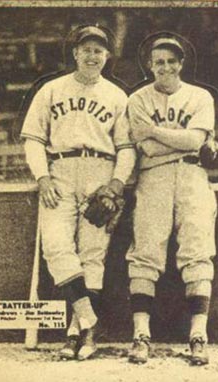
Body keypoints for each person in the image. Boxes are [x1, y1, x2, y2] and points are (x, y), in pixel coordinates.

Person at [21, 25, 136, 361]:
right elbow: (33, 139)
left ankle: (77, 334)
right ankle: (89, 322)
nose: (92, 55)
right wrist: (42, 177)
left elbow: (126, 147)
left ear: (107, 56)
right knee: (56, 247)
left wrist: (115, 185)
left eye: (99, 50)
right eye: (85, 49)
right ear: (74, 53)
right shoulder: (51, 89)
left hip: (100, 171)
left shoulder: (117, 96)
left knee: (92, 253)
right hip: (60, 171)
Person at [126, 33, 217, 365]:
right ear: (150, 65)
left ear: (181, 63)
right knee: (146, 252)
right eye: (158, 61)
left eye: (171, 61)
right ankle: (140, 335)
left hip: (193, 176)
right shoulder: (137, 99)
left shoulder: (200, 96)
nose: (165, 67)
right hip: (153, 177)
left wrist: (155, 131)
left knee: (197, 249)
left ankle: (198, 336)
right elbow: (145, 147)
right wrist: (182, 141)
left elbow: (196, 139)